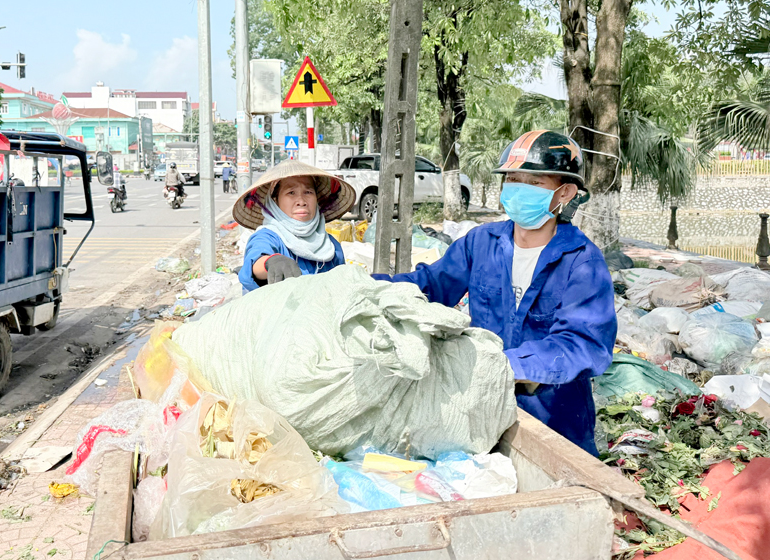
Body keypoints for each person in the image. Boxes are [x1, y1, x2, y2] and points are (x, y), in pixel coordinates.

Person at [372, 130, 617, 454]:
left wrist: (506, 365)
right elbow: (431, 284)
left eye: (533, 183)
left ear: (565, 192)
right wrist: (368, 286)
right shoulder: (481, 242)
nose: (518, 190)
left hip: (555, 424)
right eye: (513, 180)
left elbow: (582, 344)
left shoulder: (583, 262)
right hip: (482, 411)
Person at [234, 161, 356, 292]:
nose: (301, 201)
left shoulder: (331, 246)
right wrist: (271, 262)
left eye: (308, 192)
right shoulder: (268, 237)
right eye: (291, 192)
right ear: (275, 201)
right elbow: (255, 263)